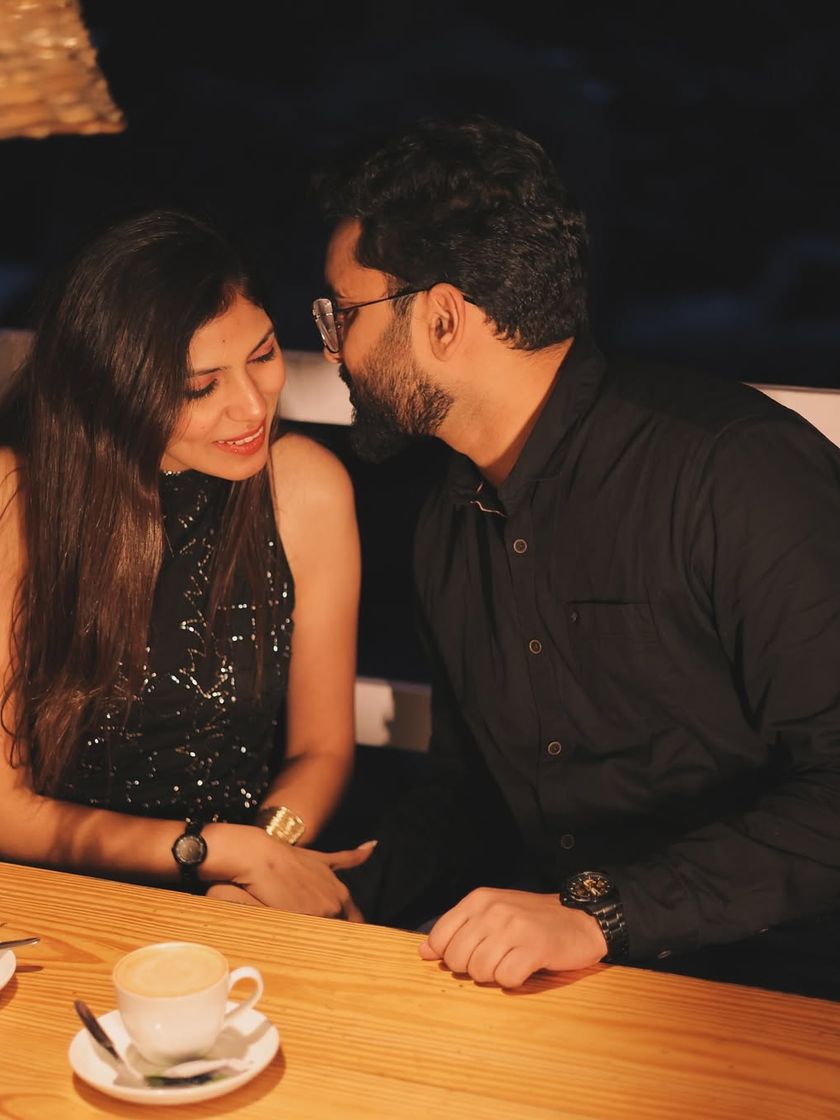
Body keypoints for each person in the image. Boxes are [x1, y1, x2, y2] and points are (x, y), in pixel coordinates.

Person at [312, 115, 840, 996]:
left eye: (343, 315)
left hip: (774, 989)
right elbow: (471, 791)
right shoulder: (449, 518)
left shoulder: (731, 470)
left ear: (442, 318)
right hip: (565, 977)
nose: (336, 352)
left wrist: (601, 914)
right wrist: (338, 895)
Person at [0, 207, 374, 914]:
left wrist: (265, 853)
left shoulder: (306, 487)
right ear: (117, 389)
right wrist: (211, 851)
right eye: (200, 387)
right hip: (57, 895)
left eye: (262, 356)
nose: (251, 408)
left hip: (235, 895)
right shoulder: (19, 496)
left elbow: (322, 751)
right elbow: (4, 807)